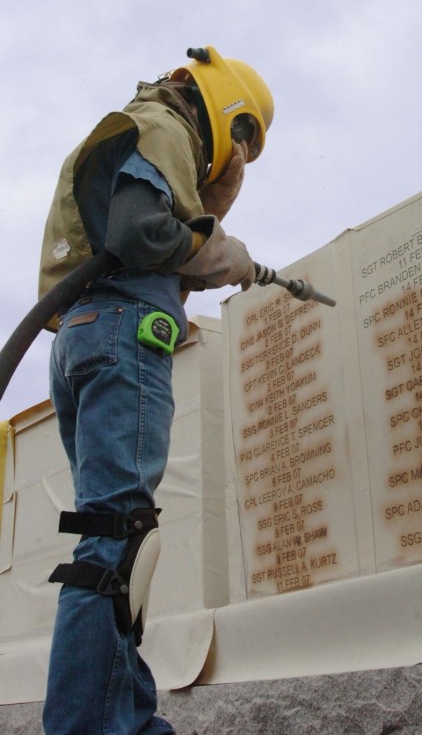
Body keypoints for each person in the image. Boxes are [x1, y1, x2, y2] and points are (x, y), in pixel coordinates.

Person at [38, 45, 274, 735]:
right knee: (119, 538)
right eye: (245, 141)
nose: (236, 157)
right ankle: (90, 727)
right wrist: (221, 251)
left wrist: (197, 229)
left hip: (82, 336)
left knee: (112, 540)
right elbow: (139, 231)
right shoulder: (166, 126)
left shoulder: (125, 125)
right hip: (122, 332)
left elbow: (132, 237)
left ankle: (129, 718)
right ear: (232, 116)